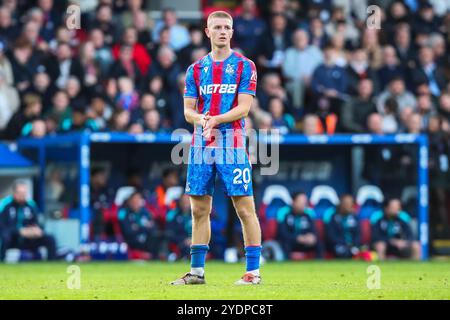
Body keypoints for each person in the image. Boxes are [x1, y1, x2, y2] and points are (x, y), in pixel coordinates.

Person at [170, 11, 261, 285]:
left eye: (227, 27)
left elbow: (244, 108)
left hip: (232, 143)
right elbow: (188, 112)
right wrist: (202, 120)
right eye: (217, 27)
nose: (223, 31)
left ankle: (253, 273)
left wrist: (214, 120)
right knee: (198, 210)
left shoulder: (246, 66)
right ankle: (197, 272)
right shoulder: (195, 70)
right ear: (207, 32)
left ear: (232, 32)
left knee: (245, 208)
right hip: (200, 145)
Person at [0, 180, 56, 261]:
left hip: (28, 238)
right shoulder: (5, 205)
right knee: (5, 237)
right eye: (20, 193)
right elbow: (2, 225)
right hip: (12, 238)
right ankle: (2, 261)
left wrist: (36, 230)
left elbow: (37, 223)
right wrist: (19, 231)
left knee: (50, 238)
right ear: (14, 193)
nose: (22, 196)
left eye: (24, 193)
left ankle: (51, 263)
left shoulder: (31, 205)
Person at [117, 191, 165, 259]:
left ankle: (163, 257)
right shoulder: (124, 213)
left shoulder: (145, 213)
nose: (136, 202)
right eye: (134, 200)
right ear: (129, 202)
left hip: (147, 240)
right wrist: (145, 227)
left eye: (138, 200)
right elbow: (128, 231)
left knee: (161, 235)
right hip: (132, 241)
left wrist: (138, 227)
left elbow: (154, 228)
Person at [276, 192, 318, 259]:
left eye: (305, 203)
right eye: (300, 202)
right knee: (285, 244)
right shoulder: (284, 212)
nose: (303, 205)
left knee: (319, 244)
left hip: (305, 243)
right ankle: (286, 266)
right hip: (291, 242)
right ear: (293, 202)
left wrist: (312, 237)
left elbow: (314, 231)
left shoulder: (309, 213)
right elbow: (282, 233)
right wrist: (297, 238)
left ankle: (318, 266)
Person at [166, 194, 192, 260]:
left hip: (195, 242)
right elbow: (170, 233)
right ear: (180, 202)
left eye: (187, 201)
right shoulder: (173, 215)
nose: (185, 203)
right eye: (183, 201)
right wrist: (184, 240)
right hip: (180, 243)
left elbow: (202, 232)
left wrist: (193, 240)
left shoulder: (196, 215)